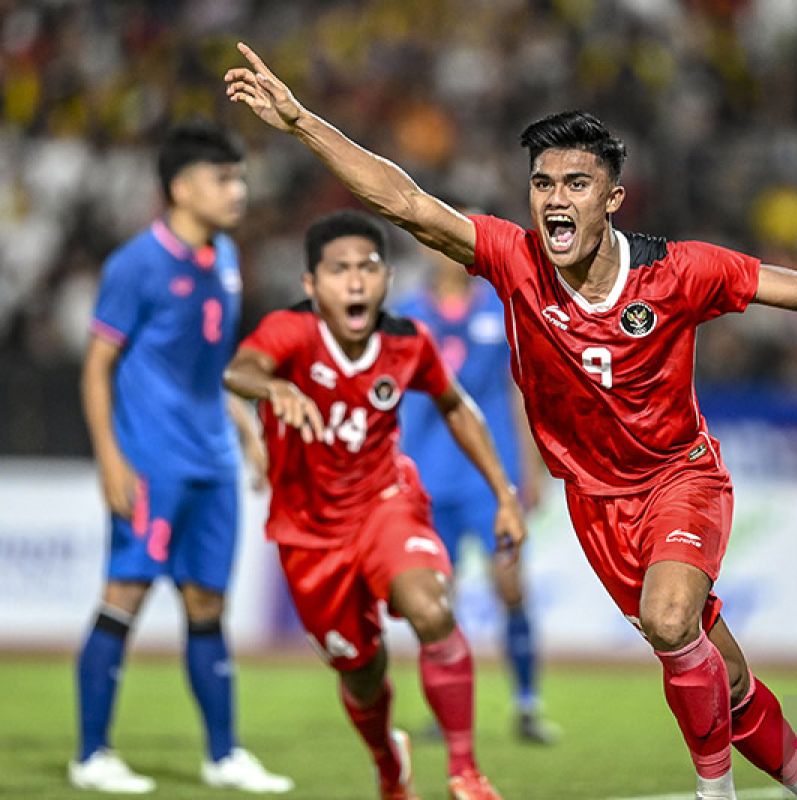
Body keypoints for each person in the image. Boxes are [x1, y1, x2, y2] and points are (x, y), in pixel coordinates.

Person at [225, 43, 797, 800]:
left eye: (577, 183)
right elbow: (405, 204)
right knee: (719, 669)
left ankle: (715, 793)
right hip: (595, 505)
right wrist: (301, 121)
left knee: (671, 622)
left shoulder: (678, 272)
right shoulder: (513, 260)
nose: (555, 200)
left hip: (679, 478)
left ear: (613, 199)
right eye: (542, 184)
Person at [225, 210, 515, 800]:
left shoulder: (407, 341)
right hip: (309, 534)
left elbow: (456, 405)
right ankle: (390, 764)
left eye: (368, 267)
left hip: (386, 504)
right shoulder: (290, 333)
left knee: (433, 610)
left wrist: (504, 493)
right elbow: (240, 369)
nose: (355, 282)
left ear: (386, 278)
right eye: (339, 271)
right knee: (361, 673)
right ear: (312, 284)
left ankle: (465, 772)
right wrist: (277, 387)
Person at [74, 121, 291, 794]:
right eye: (224, 179)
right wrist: (111, 458)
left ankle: (223, 755)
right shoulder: (136, 265)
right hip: (152, 464)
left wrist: (246, 426)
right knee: (126, 594)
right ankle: (92, 755)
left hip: (213, 461)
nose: (238, 190)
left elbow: (207, 365)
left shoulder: (224, 255)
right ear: (182, 187)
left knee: (207, 606)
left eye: (240, 177)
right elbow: (96, 368)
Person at [393, 234, 559, 744]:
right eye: (436, 242)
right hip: (424, 475)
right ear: (424, 249)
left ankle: (527, 703)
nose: (446, 252)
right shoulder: (405, 313)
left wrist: (530, 471)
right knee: (436, 600)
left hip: (489, 474)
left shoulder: (501, 311)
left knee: (510, 586)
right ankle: (447, 713)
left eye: (455, 241)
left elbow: (519, 393)